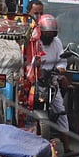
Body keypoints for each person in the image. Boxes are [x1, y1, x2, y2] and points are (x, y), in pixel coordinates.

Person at [25, 14, 70, 148]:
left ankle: (67, 146)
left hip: (51, 80)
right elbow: (28, 59)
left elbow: (62, 59)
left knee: (60, 109)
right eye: (47, 33)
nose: (49, 35)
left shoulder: (57, 42)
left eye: (52, 33)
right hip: (35, 81)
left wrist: (61, 69)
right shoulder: (34, 41)